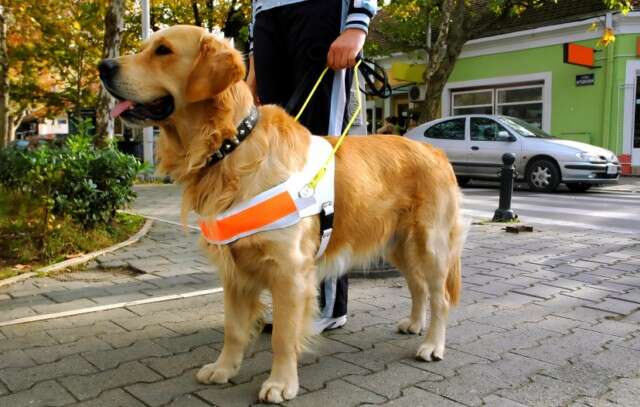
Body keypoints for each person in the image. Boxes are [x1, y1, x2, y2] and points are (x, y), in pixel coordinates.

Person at [247, 0, 378, 333]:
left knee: (319, 158)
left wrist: (358, 21)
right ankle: (289, 297)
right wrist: (254, 54)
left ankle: (327, 303)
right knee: (278, 163)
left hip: (323, 12)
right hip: (267, 17)